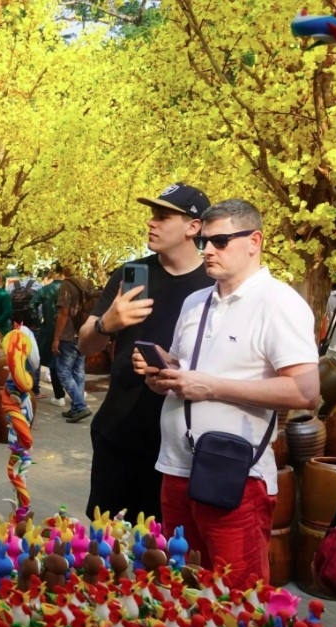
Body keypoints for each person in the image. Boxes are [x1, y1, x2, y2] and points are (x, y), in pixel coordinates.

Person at [140, 198, 319, 589]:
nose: (207, 250)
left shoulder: (279, 302)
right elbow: (189, 369)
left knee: (236, 600)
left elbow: (306, 391)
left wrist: (211, 387)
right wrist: (163, 376)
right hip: (176, 466)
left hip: (234, 475)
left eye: (219, 241)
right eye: (204, 240)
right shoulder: (195, 302)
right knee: (182, 590)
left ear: (254, 241)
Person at [77, 182, 214, 523]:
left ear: (193, 227)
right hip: (118, 434)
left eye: (163, 216)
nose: (151, 223)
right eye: (152, 215)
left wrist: (174, 365)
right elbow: (84, 344)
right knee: (106, 547)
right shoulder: (130, 274)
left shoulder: (214, 285)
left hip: (182, 446)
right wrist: (107, 323)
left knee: (167, 553)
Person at [52, 267, 91, 423]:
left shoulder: (67, 285)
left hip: (68, 335)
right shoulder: (88, 283)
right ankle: (76, 407)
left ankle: (80, 406)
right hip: (84, 332)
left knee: (63, 372)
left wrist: (56, 338)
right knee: (78, 372)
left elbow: (63, 314)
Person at [31, 266, 66, 406]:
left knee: (53, 361)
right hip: (69, 330)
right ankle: (78, 393)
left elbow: (32, 305)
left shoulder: (45, 289)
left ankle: (59, 395)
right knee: (75, 362)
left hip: (50, 329)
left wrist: (38, 323)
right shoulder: (70, 289)